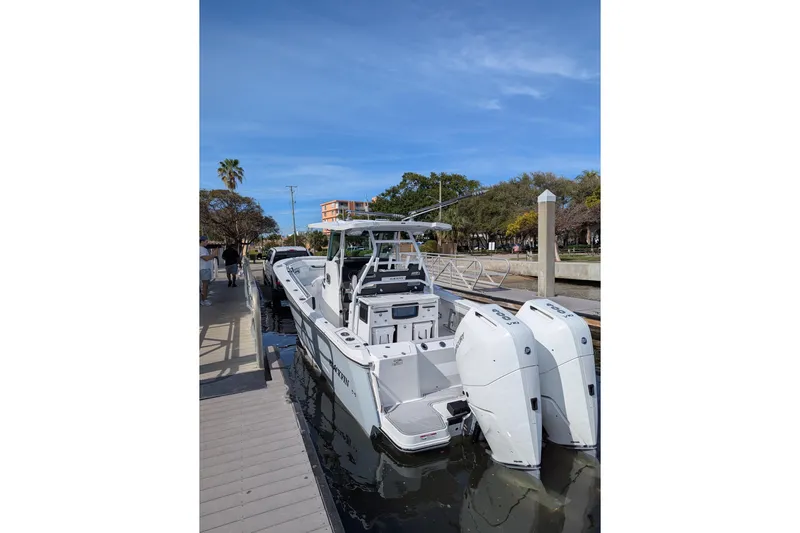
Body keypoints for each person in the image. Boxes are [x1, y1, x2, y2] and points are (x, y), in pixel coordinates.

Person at [199, 236, 216, 306]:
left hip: (205, 269)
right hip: (204, 269)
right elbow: (206, 258)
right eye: (206, 241)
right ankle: (204, 300)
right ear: (202, 241)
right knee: (205, 286)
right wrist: (213, 254)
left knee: (205, 286)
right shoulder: (201, 249)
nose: (207, 243)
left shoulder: (203, 249)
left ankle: (203, 299)